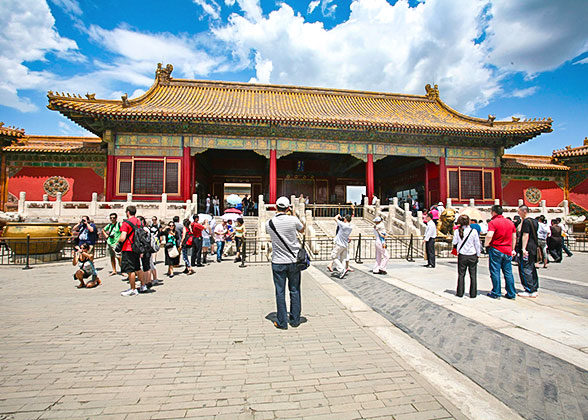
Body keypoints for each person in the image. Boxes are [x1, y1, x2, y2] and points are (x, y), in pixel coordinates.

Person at [266, 196, 305, 330]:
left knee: (280, 291)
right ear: (288, 208)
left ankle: (282, 322)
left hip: (278, 261)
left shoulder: (269, 223)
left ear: (276, 207)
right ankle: (295, 320)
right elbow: (302, 229)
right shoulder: (294, 220)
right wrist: (293, 214)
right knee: (294, 290)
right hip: (293, 261)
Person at [484, 205, 517, 299]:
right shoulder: (510, 222)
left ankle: (496, 292)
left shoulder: (493, 222)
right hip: (507, 250)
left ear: (493, 212)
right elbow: (514, 237)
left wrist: (486, 244)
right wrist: (512, 249)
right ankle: (511, 293)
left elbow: (490, 235)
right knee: (508, 272)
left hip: (496, 249)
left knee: (495, 271)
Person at [118, 205, 147, 296]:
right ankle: (143, 285)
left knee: (130, 270)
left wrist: (118, 243)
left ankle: (133, 289)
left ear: (127, 212)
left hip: (128, 247)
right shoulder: (139, 222)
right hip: (136, 247)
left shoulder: (126, 223)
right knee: (138, 267)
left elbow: (123, 237)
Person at [452, 215, 481, 298]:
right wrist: (478, 254)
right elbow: (477, 244)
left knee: (461, 274)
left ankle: (460, 292)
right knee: (473, 275)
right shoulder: (473, 231)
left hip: (462, 254)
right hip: (472, 254)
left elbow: (454, 242)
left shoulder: (457, 231)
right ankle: (473, 293)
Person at [516, 206, 539, 298]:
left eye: (519, 212)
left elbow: (525, 235)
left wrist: (523, 248)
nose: (518, 214)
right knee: (531, 267)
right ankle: (534, 287)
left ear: (524, 211)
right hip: (533, 247)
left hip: (527, 248)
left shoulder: (526, 221)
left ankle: (529, 289)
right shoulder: (534, 221)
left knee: (525, 268)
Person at [327, 214, 353, 278]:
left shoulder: (343, 225)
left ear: (345, 219)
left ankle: (342, 270)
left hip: (339, 244)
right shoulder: (350, 227)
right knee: (343, 258)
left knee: (334, 256)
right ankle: (342, 271)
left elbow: (334, 218)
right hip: (345, 244)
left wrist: (338, 216)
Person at [137, 216, 156, 288]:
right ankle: (147, 281)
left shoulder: (144, 229)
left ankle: (147, 281)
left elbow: (144, 241)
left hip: (145, 249)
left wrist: (142, 251)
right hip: (147, 249)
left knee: (145, 266)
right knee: (147, 265)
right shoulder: (146, 229)